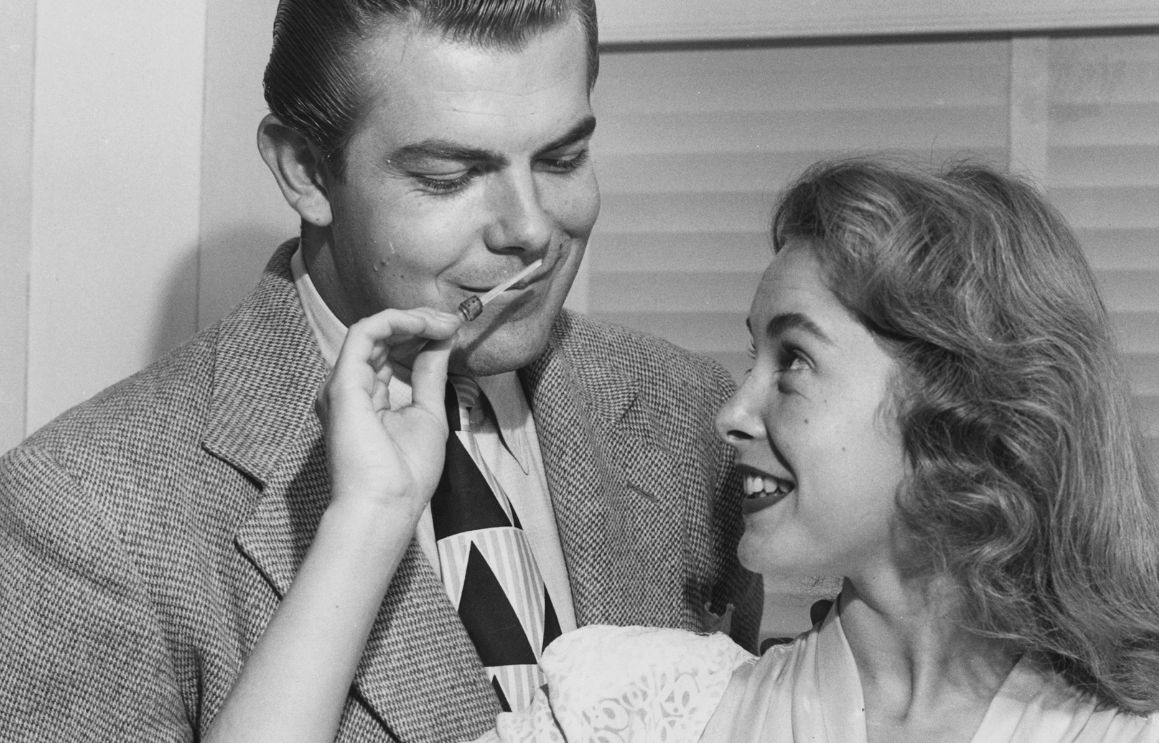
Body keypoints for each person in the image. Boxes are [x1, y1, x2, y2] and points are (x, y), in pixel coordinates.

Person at [267, 156, 1159, 742]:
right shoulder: (639, 712)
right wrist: (373, 508)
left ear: (958, 401)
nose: (728, 410)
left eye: (791, 359)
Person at [0, 1, 760, 740]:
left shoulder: (693, 410)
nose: (530, 229)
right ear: (303, 171)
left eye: (562, 159)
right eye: (448, 176)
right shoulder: (83, 509)